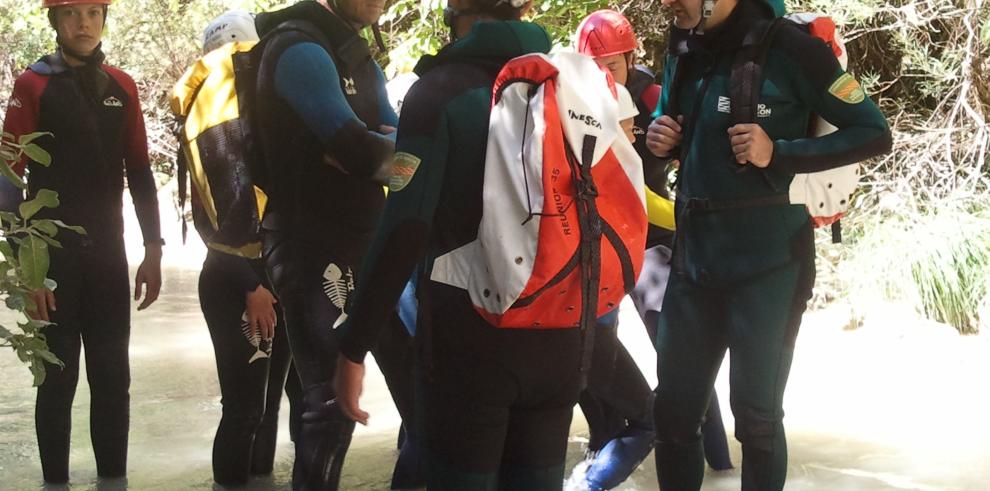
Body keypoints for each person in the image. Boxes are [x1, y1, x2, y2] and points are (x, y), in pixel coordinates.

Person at [331, 0, 617, 487]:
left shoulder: (438, 93)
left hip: (471, 347)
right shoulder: (580, 83)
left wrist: (354, 345)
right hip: (564, 338)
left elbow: (404, 227)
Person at [648, 0, 892, 489]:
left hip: (770, 264)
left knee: (756, 418)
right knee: (672, 415)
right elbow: (669, 121)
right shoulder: (684, 45)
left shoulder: (791, 48)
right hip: (695, 261)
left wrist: (779, 152)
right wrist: (660, 136)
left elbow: (873, 133)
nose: (665, 2)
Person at [0, 0, 163, 484]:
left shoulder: (122, 86)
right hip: (53, 265)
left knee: (114, 381)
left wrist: (153, 250)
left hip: (110, 260)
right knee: (57, 380)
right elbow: (8, 178)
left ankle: (114, 481)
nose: (84, 23)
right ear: (55, 20)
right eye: (72, 13)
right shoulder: (33, 85)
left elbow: (140, 171)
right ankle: (55, 483)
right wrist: (27, 272)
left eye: (94, 12)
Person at [572, 10, 733, 490]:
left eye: (612, 65)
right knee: (589, 357)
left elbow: (699, 148)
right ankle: (603, 444)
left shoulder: (649, 93)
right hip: (593, 243)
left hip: (650, 236)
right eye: (594, 65)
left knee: (679, 351)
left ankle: (720, 463)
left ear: (629, 59)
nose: (605, 77)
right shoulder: (571, 98)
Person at [249, 0, 401, 488]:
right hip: (307, 242)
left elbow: (411, 158)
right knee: (330, 404)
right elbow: (364, 152)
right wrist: (377, 151)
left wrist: (379, 154)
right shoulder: (299, 49)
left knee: (425, 385)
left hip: (371, 238)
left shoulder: (358, 57)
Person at [191, 11, 301, 485]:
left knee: (266, 405)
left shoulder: (252, 110)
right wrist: (252, 285)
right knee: (243, 409)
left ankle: (260, 479)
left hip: (269, 273)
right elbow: (217, 221)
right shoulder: (217, 109)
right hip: (236, 279)